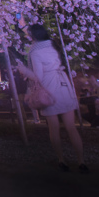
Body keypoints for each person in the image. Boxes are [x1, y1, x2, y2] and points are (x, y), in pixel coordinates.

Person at [16, 21, 87, 172]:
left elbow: (38, 77)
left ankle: (62, 160)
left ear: (33, 36)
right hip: (63, 85)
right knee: (71, 128)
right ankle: (82, 162)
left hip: (49, 89)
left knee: (54, 128)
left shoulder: (35, 52)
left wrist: (24, 71)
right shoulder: (53, 46)